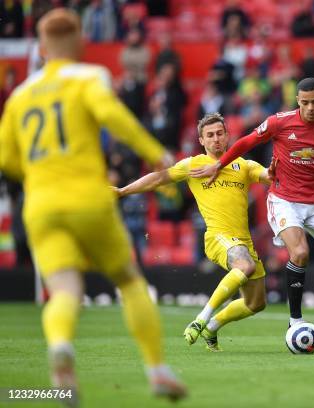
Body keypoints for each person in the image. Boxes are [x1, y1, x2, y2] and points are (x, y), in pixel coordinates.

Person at [0, 9, 186, 402]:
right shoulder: (89, 77)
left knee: (64, 289)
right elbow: (112, 116)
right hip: (88, 196)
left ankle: (60, 344)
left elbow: (6, 158)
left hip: (41, 204)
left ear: (42, 47)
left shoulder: (20, 95)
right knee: (130, 280)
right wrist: (155, 152)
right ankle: (156, 370)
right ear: (81, 41)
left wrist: (38, 173)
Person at [190, 78, 314, 334]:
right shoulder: (279, 122)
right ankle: (295, 322)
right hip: (285, 200)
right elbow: (244, 143)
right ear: (297, 101)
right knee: (300, 252)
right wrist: (219, 163)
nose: (310, 108)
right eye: (305, 103)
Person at [115, 113, 273, 351]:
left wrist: (276, 170)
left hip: (243, 241)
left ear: (228, 136)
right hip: (216, 237)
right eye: (210, 135)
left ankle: (213, 326)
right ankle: (201, 319)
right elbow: (159, 178)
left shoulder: (244, 165)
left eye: (220, 133)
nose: (216, 139)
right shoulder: (193, 164)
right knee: (245, 266)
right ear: (201, 140)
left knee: (255, 303)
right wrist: (122, 191)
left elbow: (268, 176)